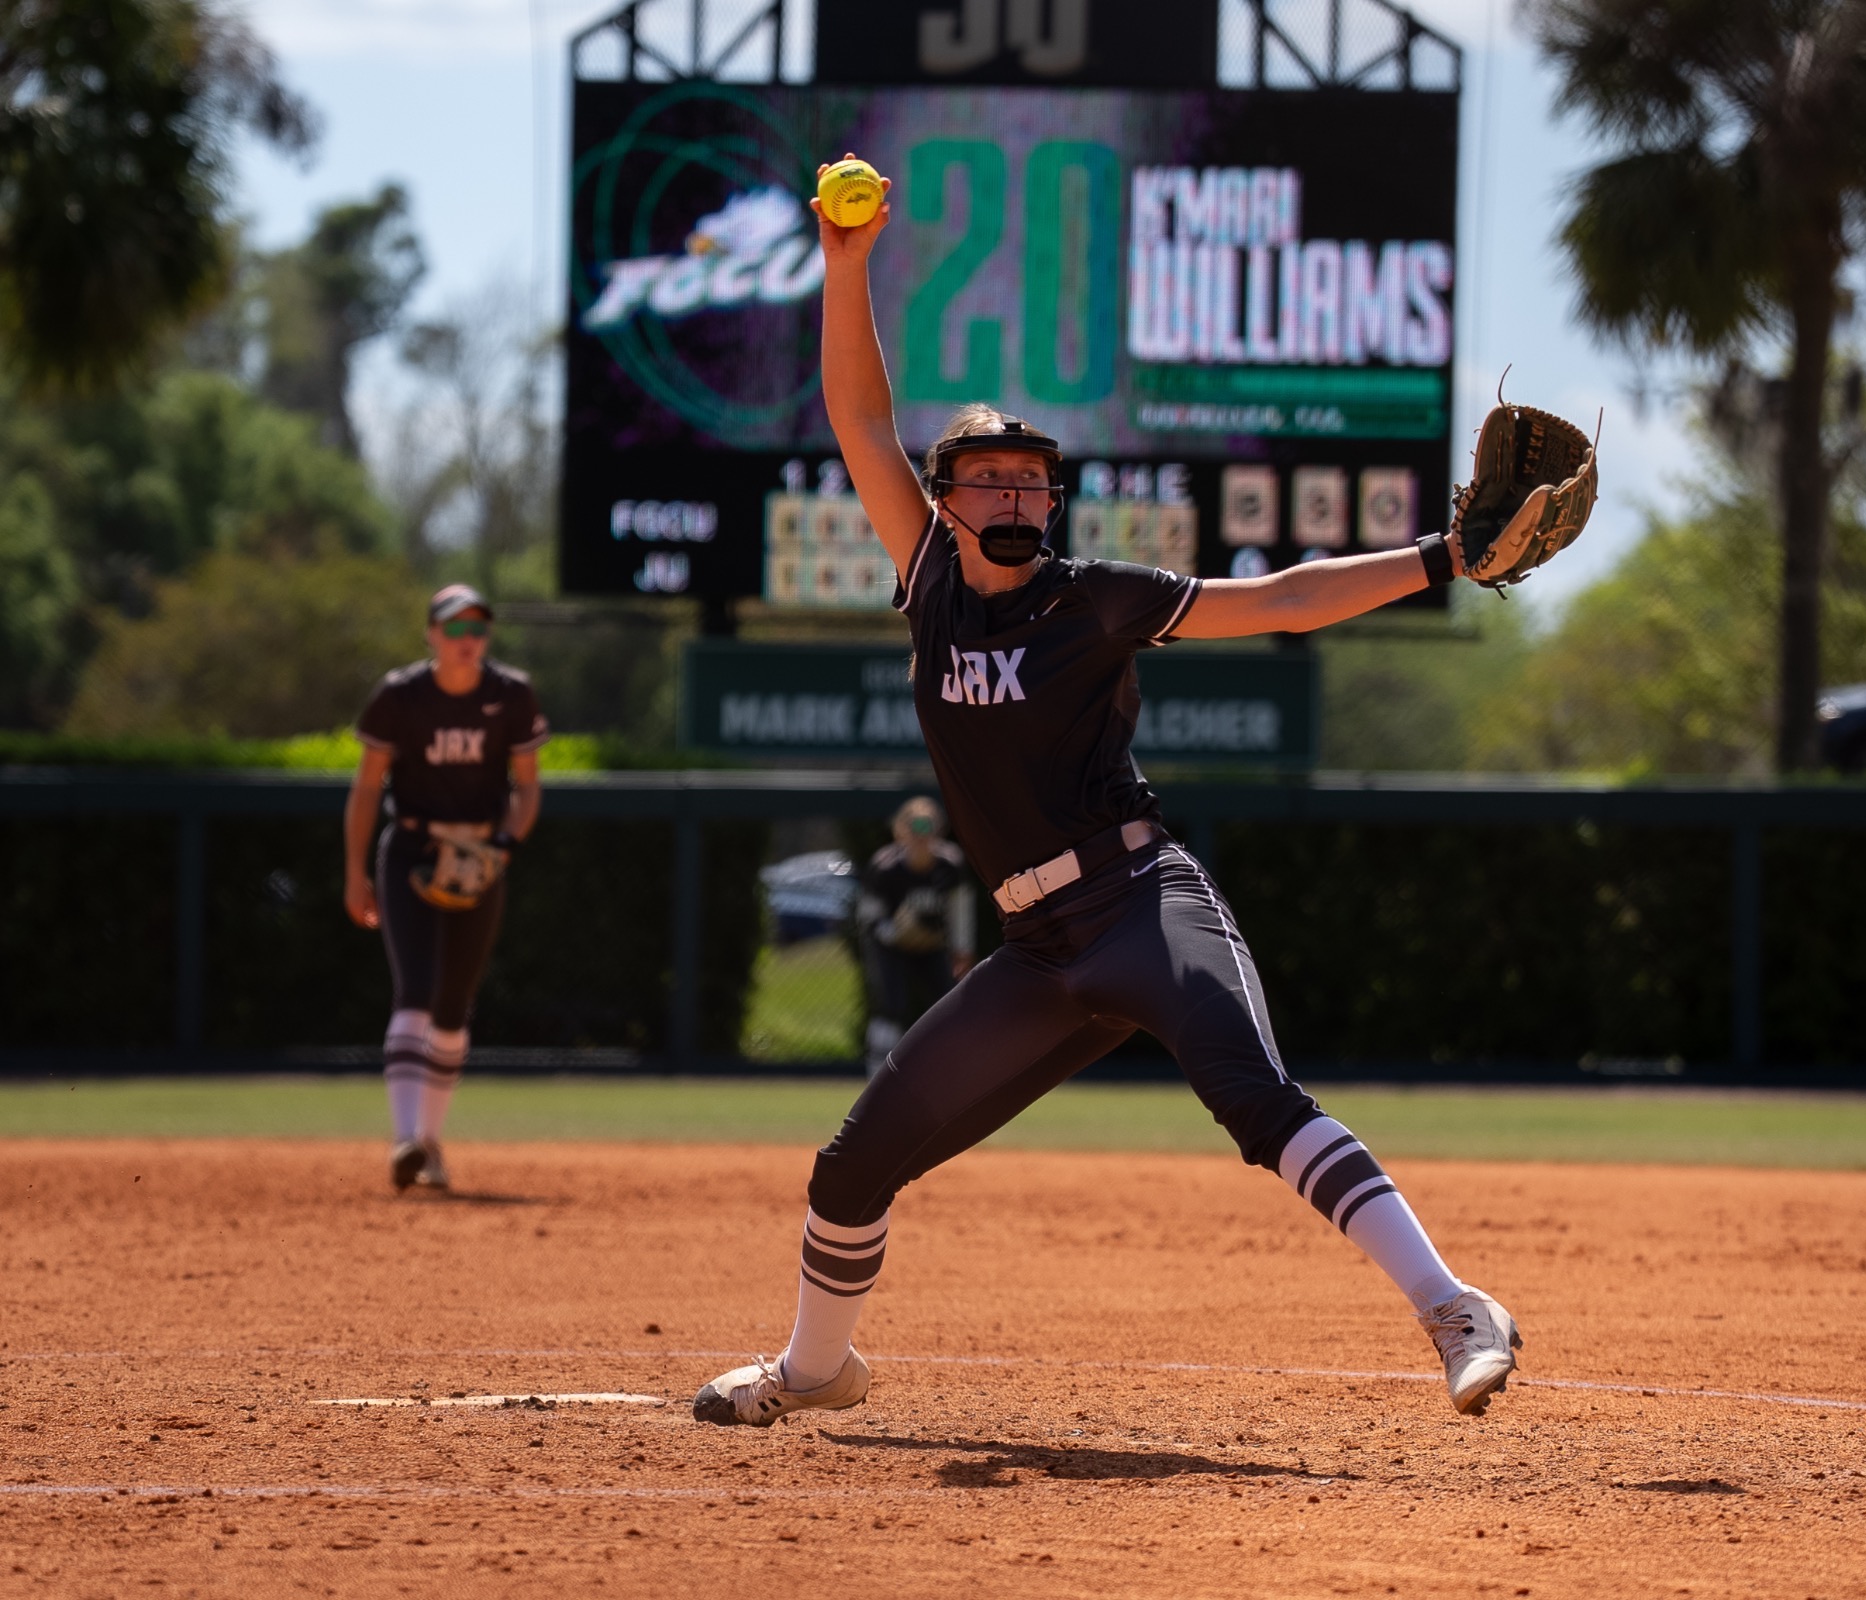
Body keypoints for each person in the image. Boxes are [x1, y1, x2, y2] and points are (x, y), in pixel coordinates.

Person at [692, 160, 1525, 1428]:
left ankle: (1455, 1305)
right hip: (1036, 951)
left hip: (1139, 900)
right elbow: (861, 422)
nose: (1018, 495)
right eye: (990, 479)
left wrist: (1441, 558)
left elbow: (1284, 595)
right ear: (946, 501)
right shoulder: (927, 578)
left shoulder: (1096, 598)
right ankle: (817, 1369)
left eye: (1033, 479)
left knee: (1255, 1100)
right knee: (852, 1164)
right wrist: (847, 264)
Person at [343, 584, 547, 1192]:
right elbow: (366, 788)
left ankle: (429, 1142)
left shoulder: (509, 695)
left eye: (477, 630)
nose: (468, 641)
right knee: (415, 991)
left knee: (455, 1004)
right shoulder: (400, 697)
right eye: (454, 629)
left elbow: (529, 787)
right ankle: (405, 1138)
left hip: (481, 853)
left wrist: (504, 847)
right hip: (411, 850)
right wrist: (355, 872)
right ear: (432, 634)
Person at [855, 796, 974, 1077]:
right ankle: (878, 1074)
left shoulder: (950, 866)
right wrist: (896, 932)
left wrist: (962, 948)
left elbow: (961, 910)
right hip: (890, 946)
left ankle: (948, 1073)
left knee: (947, 1004)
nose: (921, 836)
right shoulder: (885, 868)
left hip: (931, 946)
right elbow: (868, 919)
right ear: (900, 830)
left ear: (939, 830)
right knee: (892, 1003)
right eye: (914, 827)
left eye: (928, 827)